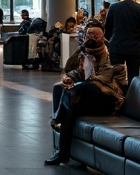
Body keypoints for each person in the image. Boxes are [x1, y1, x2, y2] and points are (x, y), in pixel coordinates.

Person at [45, 31, 124, 166]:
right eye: (88, 35)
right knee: (62, 93)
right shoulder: (85, 52)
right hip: (90, 97)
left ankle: (57, 119)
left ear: (102, 37)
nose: (91, 38)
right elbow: (72, 67)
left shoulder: (111, 54)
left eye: (94, 36)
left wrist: (86, 75)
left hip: (108, 97)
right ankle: (62, 154)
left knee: (80, 87)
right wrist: (71, 76)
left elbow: (104, 78)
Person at [104, 0, 140, 84]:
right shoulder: (139, 8)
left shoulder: (113, 7)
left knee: (117, 75)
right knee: (133, 75)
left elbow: (108, 28)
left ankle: (118, 95)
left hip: (117, 46)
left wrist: (108, 41)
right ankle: (131, 96)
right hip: (134, 47)